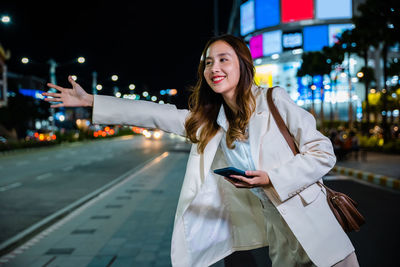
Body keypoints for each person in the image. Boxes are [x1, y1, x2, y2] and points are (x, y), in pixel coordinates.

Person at [42, 34, 359, 267]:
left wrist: (271, 178)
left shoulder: (273, 100)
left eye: (224, 59)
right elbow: (156, 114)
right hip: (280, 237)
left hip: (316, 225)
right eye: (208, 62)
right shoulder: (209, 121)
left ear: (242, 65)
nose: (214, 67)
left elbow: (322, 153)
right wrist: (91, 102)